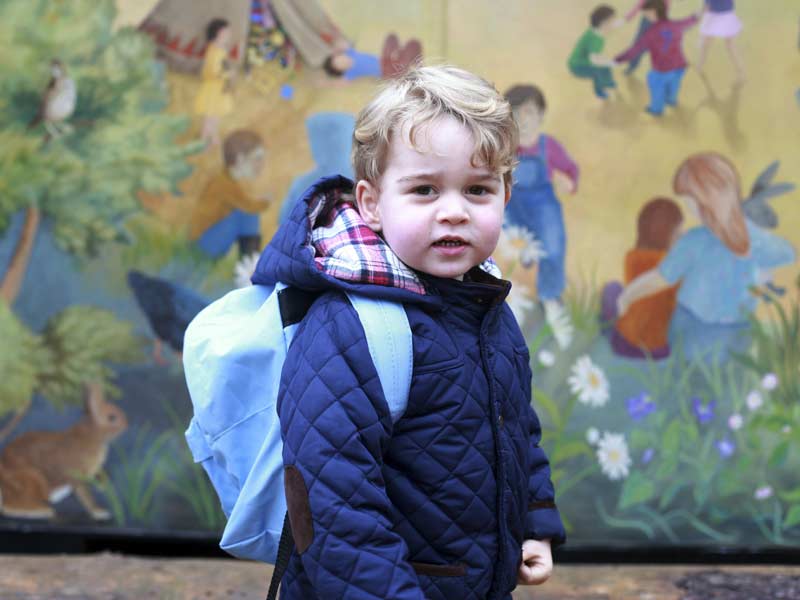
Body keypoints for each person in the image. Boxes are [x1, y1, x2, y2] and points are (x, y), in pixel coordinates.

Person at [251, 65, 566, 599]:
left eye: (477, 190)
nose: (453, 212)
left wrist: (533, 523)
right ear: (372, 203)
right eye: (423, 189)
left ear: (506, 194)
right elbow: (335, 503)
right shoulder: (351, 326)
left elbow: (514, 427)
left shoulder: (486, 305)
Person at [616, 153, 796, 362]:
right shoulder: (753, 237)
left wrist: (628, 294)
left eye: (689, 202)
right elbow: (788, 252)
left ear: (706, 199)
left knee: (688, 384)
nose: (689, 209)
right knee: (725, 387)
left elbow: (661, 278)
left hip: (694, 328)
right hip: (733, 332)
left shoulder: (695, 241)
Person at [503, 84, 579, 332]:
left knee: (554, 247)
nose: (523, 120)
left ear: (541, 115)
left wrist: (567, 181)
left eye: (529, 113)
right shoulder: (505, 146)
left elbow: (570, 169)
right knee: (503, 229)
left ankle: (550, 296)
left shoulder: (549, 147)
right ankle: (521, 257)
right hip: (513, 204)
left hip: (544, 205)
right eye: (516, 113)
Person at [601, 198, 683, 359]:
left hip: (623, 343)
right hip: (658, 352)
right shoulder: (673, 269)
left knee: (612, 288)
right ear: (668, 235)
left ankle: (605, 329)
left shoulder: (632, 257)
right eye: (679, 234)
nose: (682, 238)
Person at [190, 129, 270, 259]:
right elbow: (249, 206)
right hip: (202, 246)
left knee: (246, 213)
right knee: (248, 214)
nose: (261, 165)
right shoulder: (224, 183)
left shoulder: (227, 180)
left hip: (205, 242)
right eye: (257, 159)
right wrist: (266, 201)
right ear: (240, 159)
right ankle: (249, 266)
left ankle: (249, 265)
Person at [615, 0, 699, 116]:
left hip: (662, 70)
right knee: (674, 83)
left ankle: (656, 109)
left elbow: (635, 50)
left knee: (656, 86)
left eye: (646, 14)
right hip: (680, 66)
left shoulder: (650, 33)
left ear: (651, 13)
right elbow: (689, 21)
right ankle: (671, 100)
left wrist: (617, 59)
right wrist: (695, 16)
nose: (645, 15)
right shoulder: (676, 25)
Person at [194, 18, 235, 147]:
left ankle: (213, 135)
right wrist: (228, 74)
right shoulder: (214, 51)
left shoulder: (220, 48)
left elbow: (222, 66)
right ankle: (203, 140)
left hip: (219, 88)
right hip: (213, 89)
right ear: (219, 33)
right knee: (210, 117)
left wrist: (228, 73)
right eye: (227, 33)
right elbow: (213, 71)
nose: (229, 35)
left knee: (217, 115)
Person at [568, 5, 620, 99]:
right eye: (612, 21)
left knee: (605, 67)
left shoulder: (595, 30)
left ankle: (608, 82)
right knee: (598, 72)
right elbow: (594, 61)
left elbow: (594, 56)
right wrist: (611, 62)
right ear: (604, 23)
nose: (614, 23)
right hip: (578, 66)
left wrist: (607, 62)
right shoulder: (596, 40)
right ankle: (600, 91)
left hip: (585, 59)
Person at [697, 0, 745, 84]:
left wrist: (700, 13)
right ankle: (740, 70)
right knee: (730, 45)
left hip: (718, 15)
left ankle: (700, 65)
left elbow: (707, 6)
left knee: (707, 44)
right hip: (723, 15)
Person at [621, 0, 675, 75]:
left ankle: (634, 63)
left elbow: (666, 7)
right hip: (647, 19)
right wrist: (630, 15)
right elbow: (641, 3)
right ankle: (633, 64)